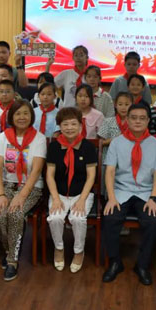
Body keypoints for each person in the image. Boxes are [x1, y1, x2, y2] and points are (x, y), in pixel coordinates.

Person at [102, 103, 156, 285]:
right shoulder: (117, 142)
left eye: (142, 118)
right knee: (110, 217)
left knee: (152, 221)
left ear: (148, 121)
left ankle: (142, 265)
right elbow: (110, 171)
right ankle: (115, 262)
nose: (138, 121)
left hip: (146, 192)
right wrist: (111, 198)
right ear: (127, 120)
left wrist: (153, 198)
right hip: (121, 190)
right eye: (134, 118)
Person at [0, 100, 46, 281]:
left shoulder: (39, 138)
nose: (22, 117)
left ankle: (12, 261)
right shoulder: (3, 137)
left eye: (26, 113)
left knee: (15, 214)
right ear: (11, 117)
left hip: (31, 187)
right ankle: (10, 249)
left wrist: (21, 196)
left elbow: (36, 171)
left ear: (31, 116)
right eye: (18, 114)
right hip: (6, 184)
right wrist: (0, 194)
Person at [46, 107, 98, 273]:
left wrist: (82, 200)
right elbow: (49, 175)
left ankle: (78, 251)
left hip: (82, 193)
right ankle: (59, 248)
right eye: (65, 124)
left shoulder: (88, 147)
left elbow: (91, 176)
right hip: (59, 193)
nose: (69, 128)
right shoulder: (54, 147)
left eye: (73, 124)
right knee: (55, 218)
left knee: (77, 218)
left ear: (80, 126)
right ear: (60, 127)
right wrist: (55, 198)